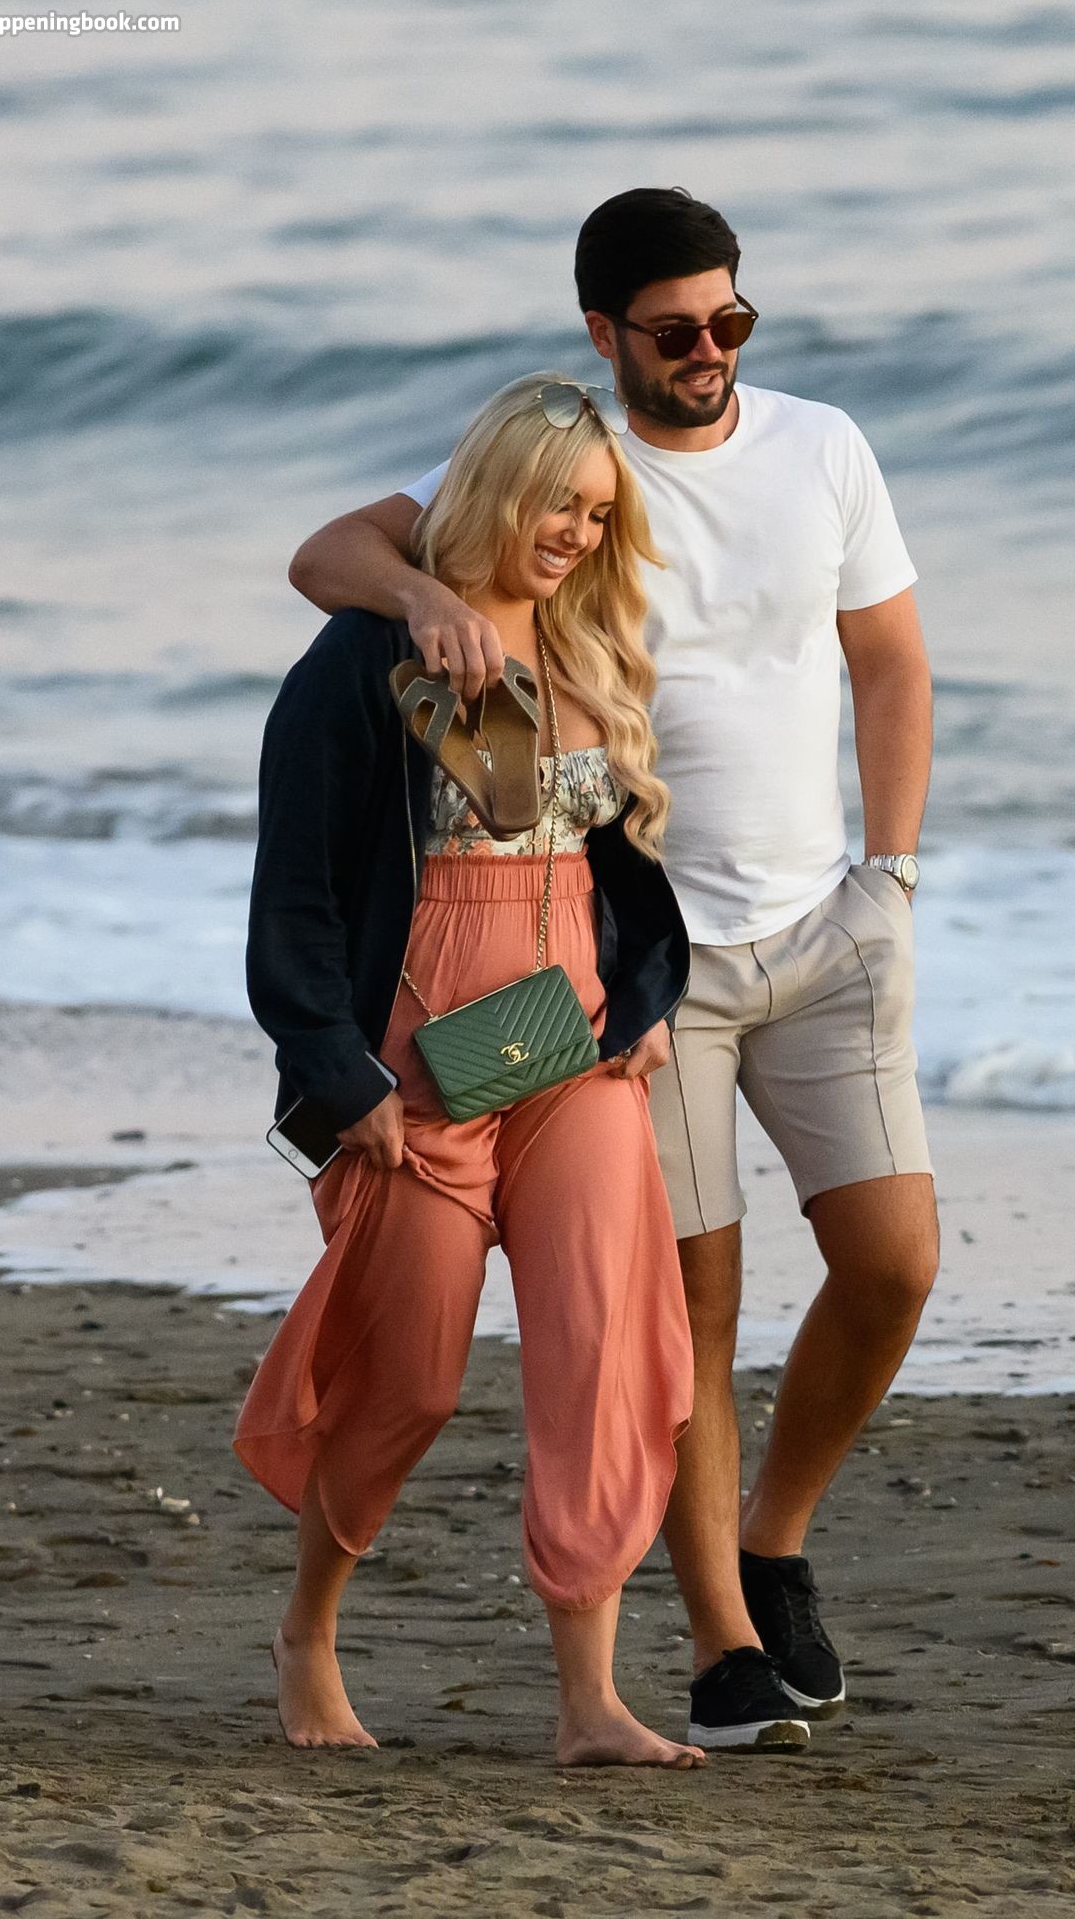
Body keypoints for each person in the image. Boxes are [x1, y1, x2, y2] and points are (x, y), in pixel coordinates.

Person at [287, 188, 939, 1754]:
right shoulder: (547, 484)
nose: (709, 351)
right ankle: (707, 1647)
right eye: (674, 330)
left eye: (731, 321)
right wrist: (422, 600)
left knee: (866, 1271)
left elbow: (883, 665)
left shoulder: (812, 457)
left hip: (783, 945)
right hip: (598, 985)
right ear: (602, 334)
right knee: (638, 1311)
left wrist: (888, 875)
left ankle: (745, 1564)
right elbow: (326, 564)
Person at [236, 373, 705, 1768]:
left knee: (600, 1351)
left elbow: (621, 868)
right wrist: (336, 1072)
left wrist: (644, 997)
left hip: (569, 1052)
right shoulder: (363, 658)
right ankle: (309, 1633)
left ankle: (589, 1700)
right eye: (557, 503)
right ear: (490, 487)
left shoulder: (590, 646)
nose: (575, 534)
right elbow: (295, 897)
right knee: (409, 1377)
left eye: (597, 514)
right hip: (416, 1070)